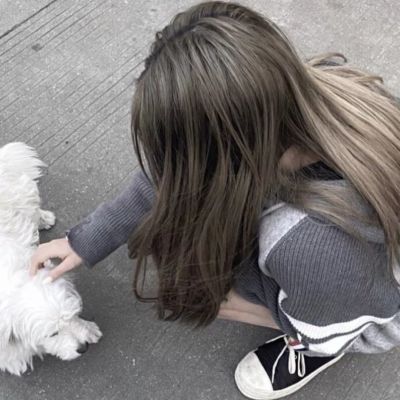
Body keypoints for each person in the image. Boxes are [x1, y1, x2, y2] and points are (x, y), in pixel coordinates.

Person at [30, 1, 400, 399]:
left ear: (226, 156)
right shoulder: (311, 91)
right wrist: (87, 239)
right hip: (344, 270)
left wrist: (248, 307)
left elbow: (338, 316)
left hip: (362, 315)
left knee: (211, 293)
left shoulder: (308, 245)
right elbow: (180, 170)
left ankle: (306, 348)